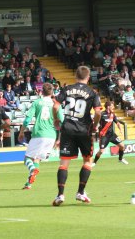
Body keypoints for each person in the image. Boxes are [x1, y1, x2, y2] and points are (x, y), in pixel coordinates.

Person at [52, 66, 101, 206]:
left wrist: (56, 119)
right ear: (88, 77)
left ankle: (60, 195)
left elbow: (55, 106)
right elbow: (98, 112)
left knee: (64, 164)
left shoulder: (67, 89)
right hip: (84, 130)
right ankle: (80, 192)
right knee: (87, 160)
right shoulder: (92, 92)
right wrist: (95, 125)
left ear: (75, 76)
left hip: (67, 129)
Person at [18, 83, 63, 189]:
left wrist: (21, 132)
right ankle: (29, 184)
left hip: (39, 134)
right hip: (51, 136)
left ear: (41, 91)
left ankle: (32, 170)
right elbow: (62, 122)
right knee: (37, 158)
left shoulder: (37, 102)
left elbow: (27, 119)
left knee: (27, 159)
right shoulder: (56, 104)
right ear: (52, 92)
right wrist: (59, 138)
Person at [93, 102, 127, 166]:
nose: (113, 107)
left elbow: (117, 123)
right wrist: (96, 127)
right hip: (104, 135)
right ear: (108, 107)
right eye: (112, 106)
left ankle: (120, 159)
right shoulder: (102, 114)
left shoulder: (112, 114)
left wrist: (121, 130)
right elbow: (95, 121)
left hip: (112, 135)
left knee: (122, 146)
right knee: (101, 151)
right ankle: (94, 162)